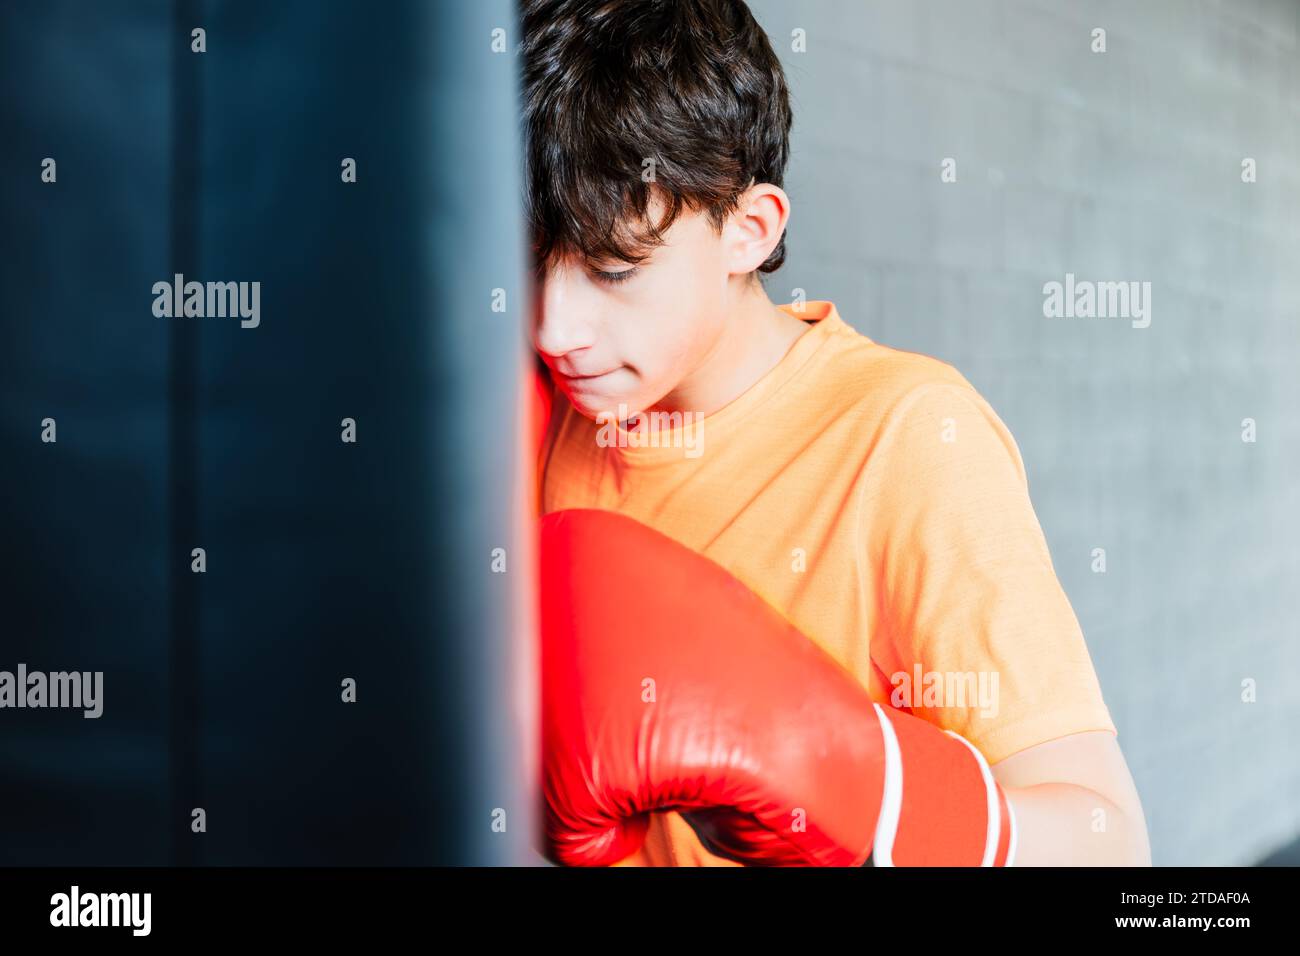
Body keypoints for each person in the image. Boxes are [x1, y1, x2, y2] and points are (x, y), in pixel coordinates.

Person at [522, 0, 1151, 867]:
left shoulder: (910, 438)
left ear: (749, 231)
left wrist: (875, 791)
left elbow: (1110, 847)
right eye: (526, 261)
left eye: (613, 268)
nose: (554, 328)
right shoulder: (544, 409)